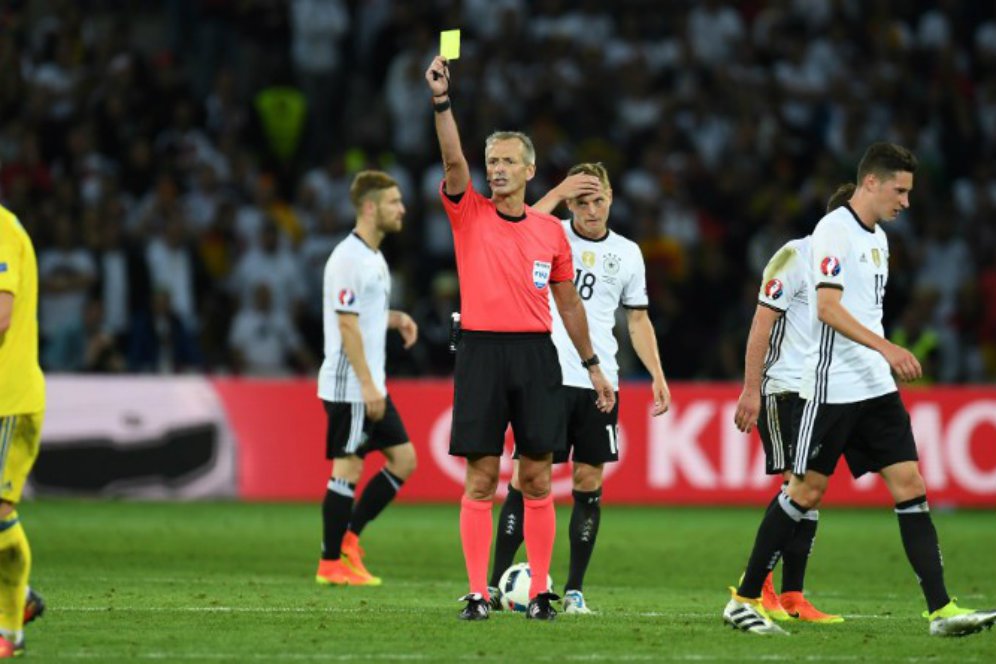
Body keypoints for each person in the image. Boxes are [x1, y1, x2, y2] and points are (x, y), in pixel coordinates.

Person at [723, 143, 996, 637]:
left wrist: (881, 358)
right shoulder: (832, 232)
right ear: (872, 182)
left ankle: (941, 610)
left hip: (874, 386)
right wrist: (887, 348)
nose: (906, 202)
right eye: (900, 190)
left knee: (911, 485)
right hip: (832, 387)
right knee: (805, 491)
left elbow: (864, 310)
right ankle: (744, 598)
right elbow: (827, 309)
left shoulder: (879, 240)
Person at [425, 55, 615, 622]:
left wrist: (594, 365)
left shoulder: (549, 232)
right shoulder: (469, 212)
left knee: (535, 477)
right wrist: (441, 101)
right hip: (481, 351)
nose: (497, 168)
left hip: (537, 356)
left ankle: (538, 594)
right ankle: (478, 594)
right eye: (492, 160)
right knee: (481, 477)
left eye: (508, 160)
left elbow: (568, 302)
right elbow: (451, 157)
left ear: (530, 170)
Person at [487, 164, 671, 615]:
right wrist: (558, 191)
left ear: (611, 199)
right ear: (570, 203)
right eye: (581, 201)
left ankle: (573, 591)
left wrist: (657, 375)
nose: (591, 210)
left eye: (598, 200)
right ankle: (493, 585)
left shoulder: (628, 253)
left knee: (589, 483)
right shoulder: (549, 233)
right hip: (545, 378)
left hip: (598, 381)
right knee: (529, 479)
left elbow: (638, 319)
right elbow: (516, 223)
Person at [731, 183, 856, 625]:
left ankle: (793, 596)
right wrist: (751, 389)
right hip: (783, 388)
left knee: (809, 492)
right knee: (796, 485)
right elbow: (761, 323)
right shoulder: (793, 256)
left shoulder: (848, 268)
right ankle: (758, 584)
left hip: (821, 391)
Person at [314, 170, 419, 587]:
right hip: (353, 386)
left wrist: (395, 319)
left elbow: (363, 316)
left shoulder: (374, 257)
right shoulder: (347, 258)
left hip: (370, 382)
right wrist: (368, 387)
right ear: (371, 207)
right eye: (394, 201)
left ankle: (350, 540)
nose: (402, 209)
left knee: (404, 460)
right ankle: (329, 562)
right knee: (348, 469)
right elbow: (347, 327)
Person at [0, 200, 48, 658]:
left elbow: (2, 315)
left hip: (6, 400)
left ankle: (9, 633)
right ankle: (21, 599)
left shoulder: (1, 231)